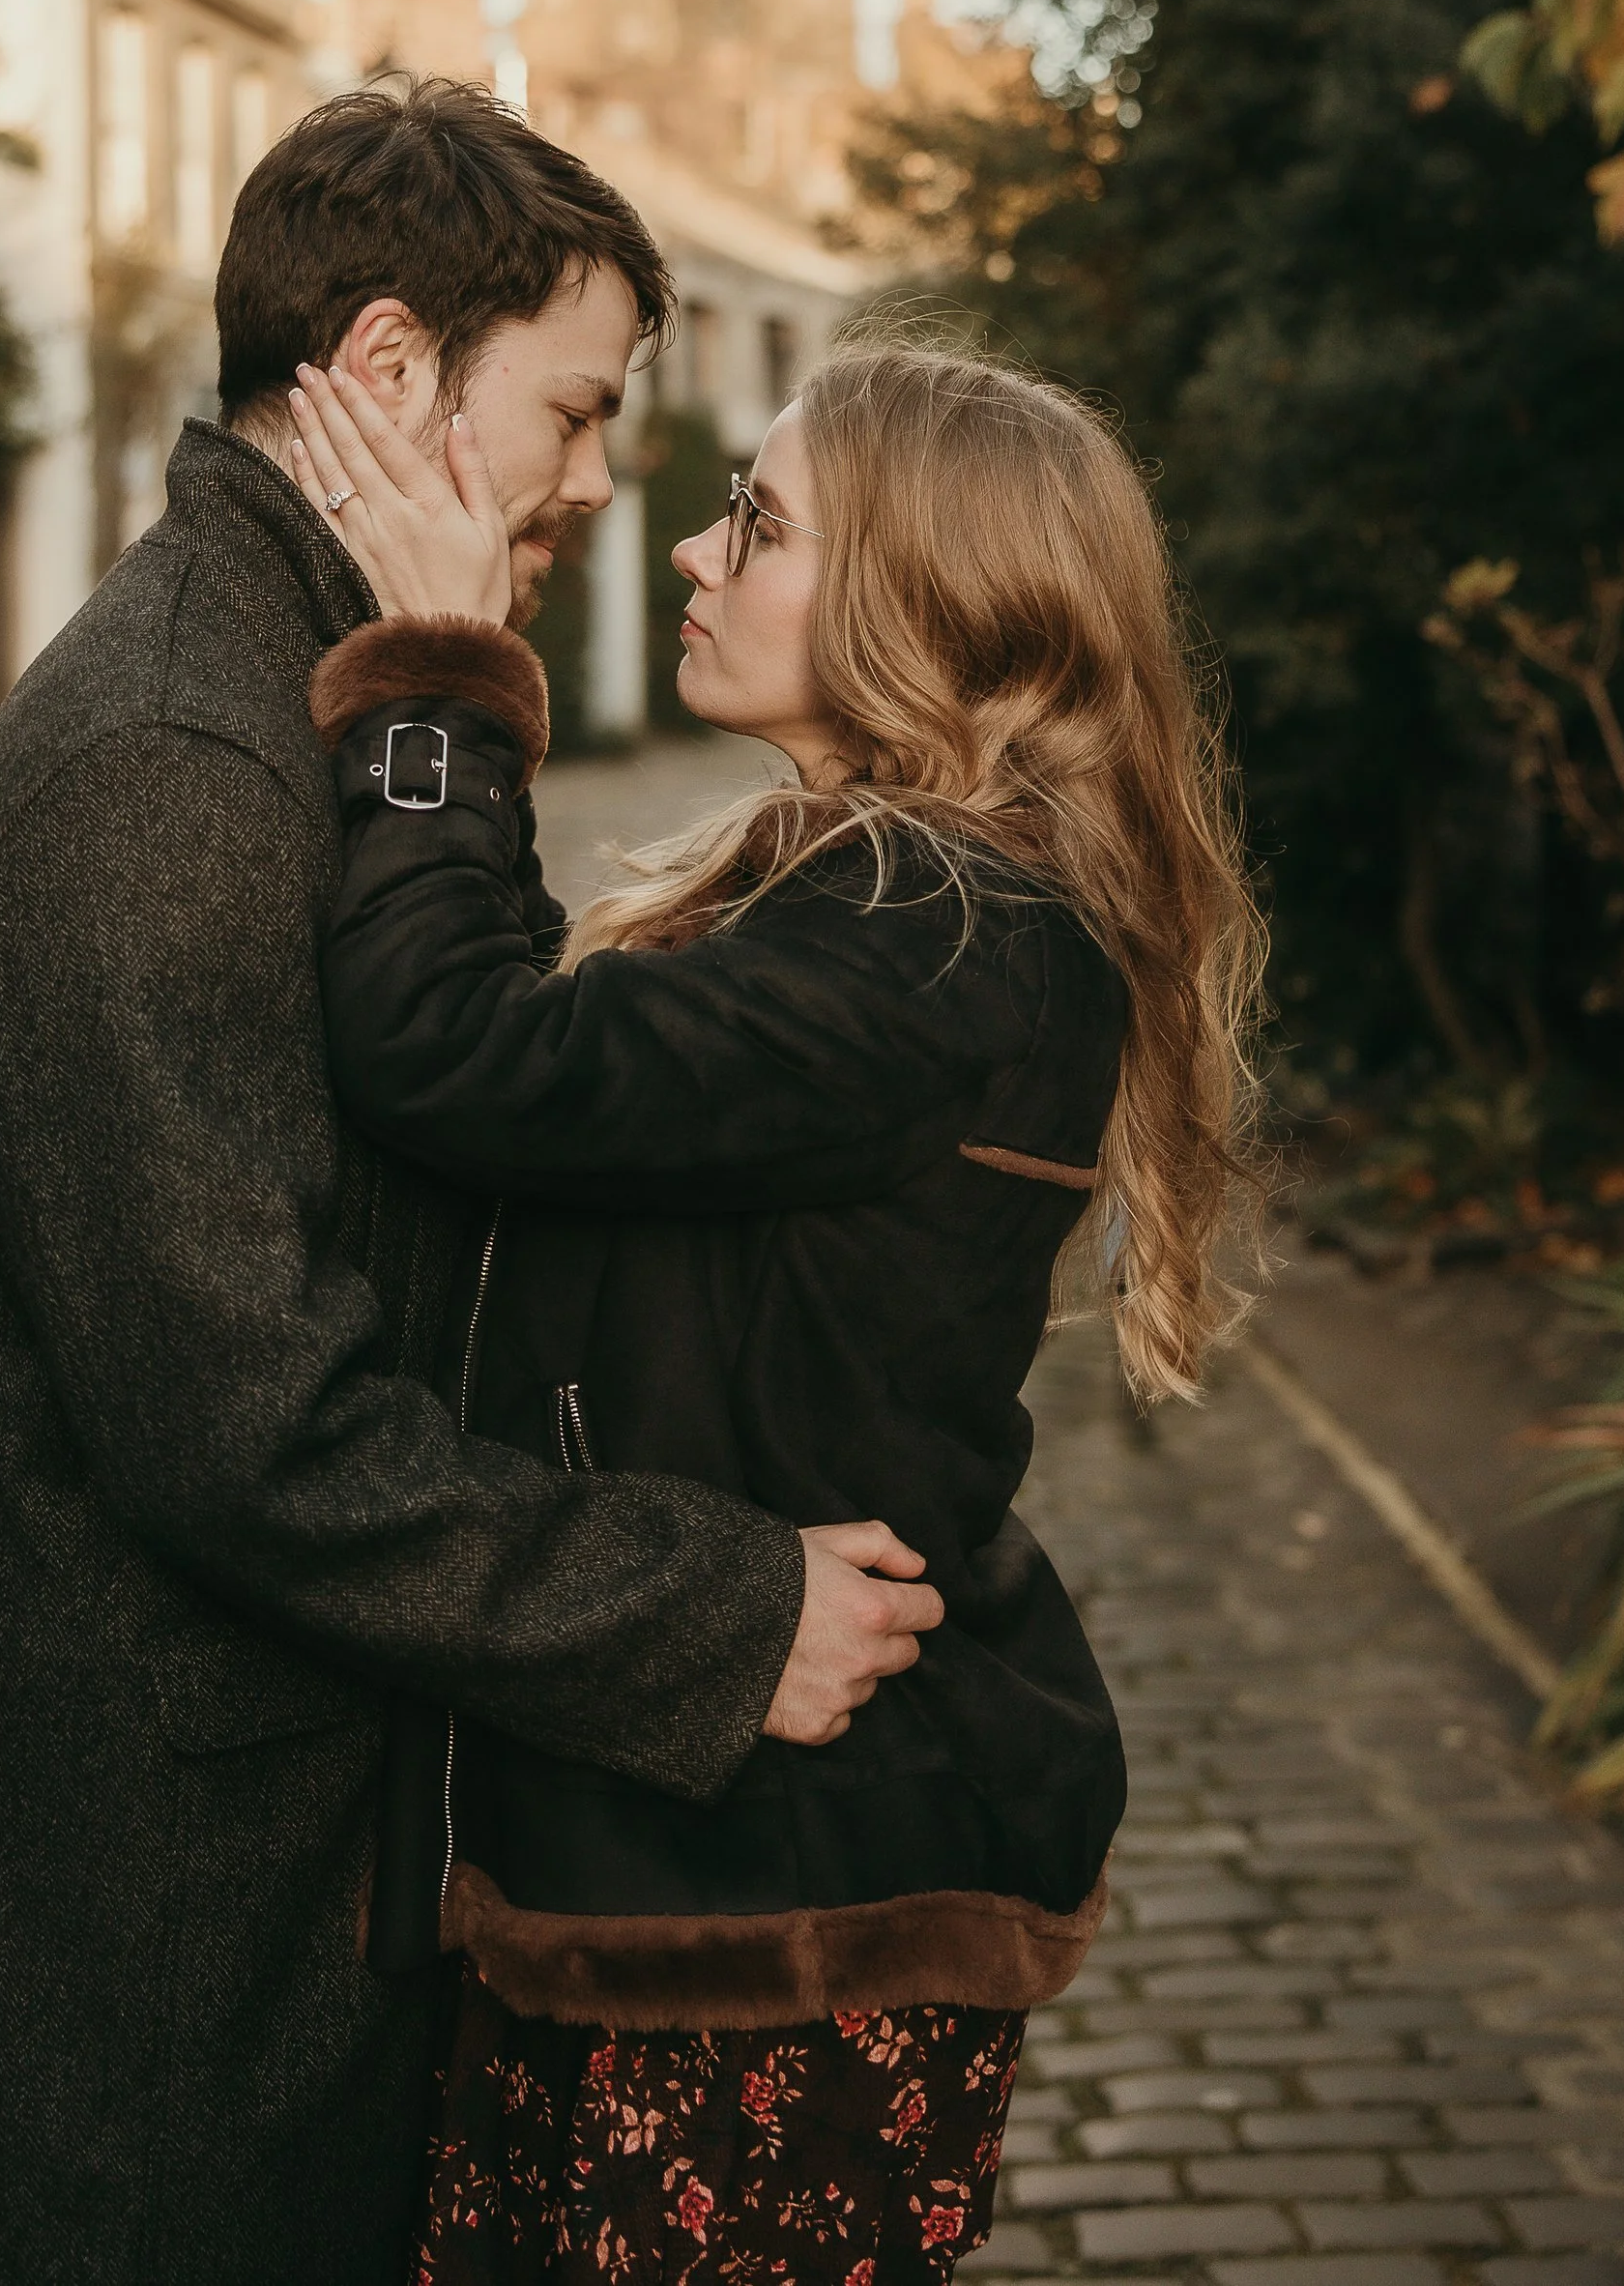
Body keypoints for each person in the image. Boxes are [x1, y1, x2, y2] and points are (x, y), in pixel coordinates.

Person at [0, 84, 944, 2286]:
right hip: (119, 1962)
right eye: (567, 411)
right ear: (386, 369)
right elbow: (246, 1427)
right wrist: (709, 1605)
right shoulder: (175, 765)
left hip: (244, 1877)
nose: (595, 478)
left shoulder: (311, 688)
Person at [286, 336, 1265, 2285]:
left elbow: (459, 1054)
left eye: (758, 520)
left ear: (924, 596)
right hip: (684, 1844)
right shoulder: (873, 906)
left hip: (776, 1904)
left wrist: (430, 683)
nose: (690, 556)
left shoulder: (936, 937)